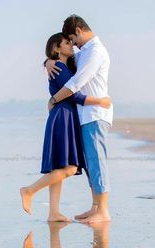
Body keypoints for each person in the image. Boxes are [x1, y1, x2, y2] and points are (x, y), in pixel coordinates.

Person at [20, 33, 111, 221]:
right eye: (67, 43)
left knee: (59, 166)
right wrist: (99, 101)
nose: (72, 45)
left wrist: (46, 61)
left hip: (65, 116)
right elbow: (72, 94)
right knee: (69, 168)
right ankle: (29, 190)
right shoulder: (60, 67)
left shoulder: (64, 65)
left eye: (71, 42)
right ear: (56, 48)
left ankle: (53, 212)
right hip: (63, 116)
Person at [46, 15, 113, 224]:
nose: (73, 45)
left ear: (78, 31)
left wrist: (54, 99)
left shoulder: (95, 51)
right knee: (91, 163)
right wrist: (48, 61)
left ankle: (103, 210)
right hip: (85, 115)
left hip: (95, 114)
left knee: (98, 162)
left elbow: (76, 83)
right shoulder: (84, 51)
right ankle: (95, 207)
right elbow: (62, 60)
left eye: (73, 40)